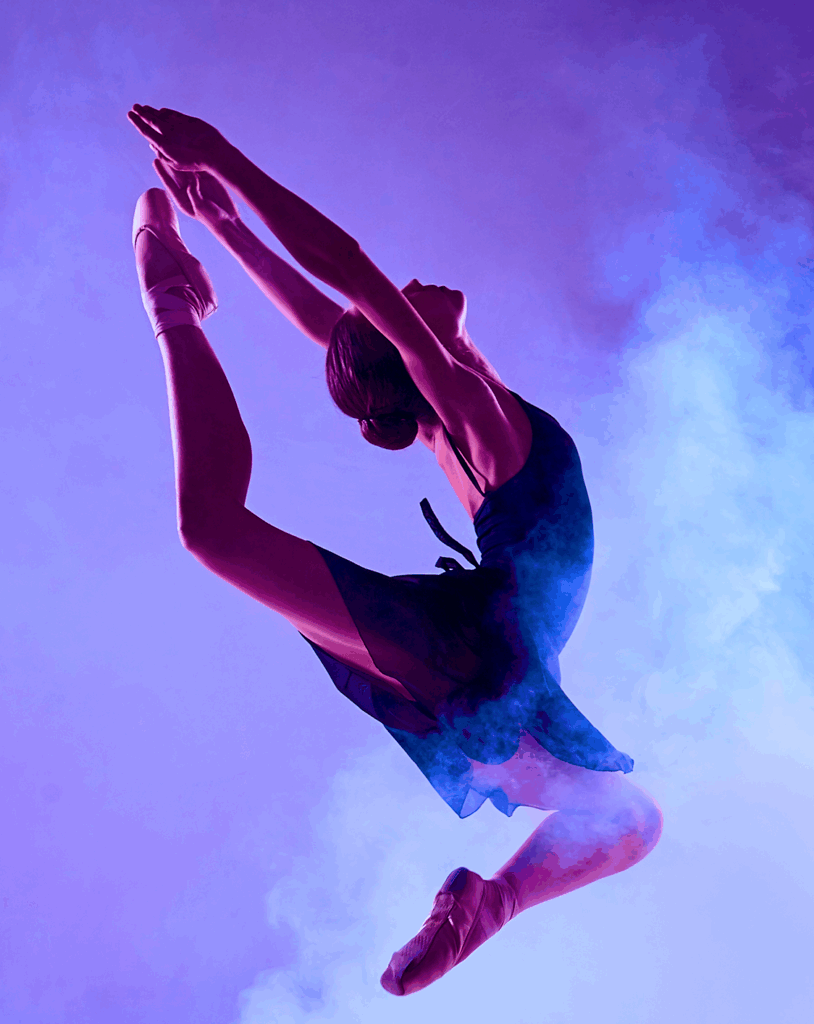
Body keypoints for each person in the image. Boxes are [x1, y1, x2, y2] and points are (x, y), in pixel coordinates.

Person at [127, 104, 663, 996]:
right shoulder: (474, 420)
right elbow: (350, 275)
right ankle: (169, 303)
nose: (406, 286)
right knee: (210, 533)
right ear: (412, 355)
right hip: (486, 641)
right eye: (402, 309)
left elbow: (323, 321)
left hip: (493, 657)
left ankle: (487, 906)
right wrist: (227, 158)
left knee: (631, 821)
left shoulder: (443, 426)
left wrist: (224, 226)